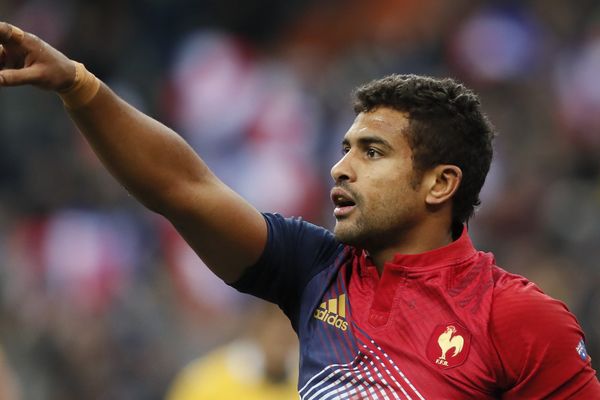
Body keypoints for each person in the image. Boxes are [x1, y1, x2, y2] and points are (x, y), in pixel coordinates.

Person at [1, 22, 599, 399]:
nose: (341, 168)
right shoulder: (317, 269)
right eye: (344, 149)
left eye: (372, 152)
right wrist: (79, 85)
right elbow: (181, 188)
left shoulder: (517, 319)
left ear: (439, 184)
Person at [166, 302, 299, 400]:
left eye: (292, 323)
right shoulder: (204, 381)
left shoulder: (309, 383)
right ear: (257, 323)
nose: (284, 331)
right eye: (274, 321)